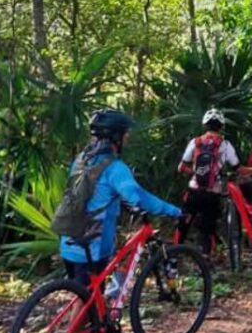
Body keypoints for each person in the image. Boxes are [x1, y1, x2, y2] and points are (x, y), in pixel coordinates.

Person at [59, 109, 181, 288]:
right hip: (92, 245)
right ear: (115, 136)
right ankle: (77, 317)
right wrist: (173, 210)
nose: (127, 138)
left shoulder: (80, 160)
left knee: (84, 296)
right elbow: (138, 197)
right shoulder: (115, 168)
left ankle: (91, 316)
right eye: (125, 134)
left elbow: (93, 195)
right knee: (85, 300)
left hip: (68, 238)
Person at [177, 109, 252, 254]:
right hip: (212, 194)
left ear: (205, 125)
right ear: (221, 126)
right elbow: (239, 169)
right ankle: (205, 260)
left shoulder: (195, 143)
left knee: (183, 225)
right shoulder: (225, 145)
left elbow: (181, 167)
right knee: (207, 230)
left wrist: (196, 172)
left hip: (194, 191)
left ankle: (172, 258)